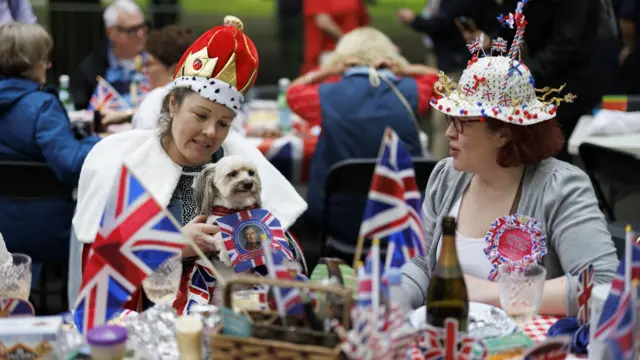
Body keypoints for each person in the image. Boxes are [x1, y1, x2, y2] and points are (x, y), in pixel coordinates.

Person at [71, 16, 307, 311]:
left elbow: (285, 257)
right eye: (200, 116)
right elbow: (102, 277)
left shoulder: (240, 164)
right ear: (172, 104)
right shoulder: (126, 164)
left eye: (223, 123)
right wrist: (172, 247)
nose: (211, 132)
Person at [400, 5, 619, 317]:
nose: (449, 131)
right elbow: (422, 266)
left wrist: (491, 292)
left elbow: (602, 286)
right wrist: (394, 299)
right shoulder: (446, 176)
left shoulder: (560, 187)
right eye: (450, 118)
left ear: (503, 132)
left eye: (462, 121)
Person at [287, 27, 438, 262]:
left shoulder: (326, 95)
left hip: (340, 223)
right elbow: (440, 82)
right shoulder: (411, 91)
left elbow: (293, 93)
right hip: (404, 218)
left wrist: (326, 70)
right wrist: (407, 69)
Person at [0, 23, 100, 269]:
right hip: (46, 229)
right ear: (32, 62)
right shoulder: (42, 107)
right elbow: (72, 165)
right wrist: (96, 141)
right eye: (44, 59)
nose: (48, 65)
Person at [70, 0, 147, 111]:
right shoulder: (90, 69)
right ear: (111, 32)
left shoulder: (157, 62)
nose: (141, 34)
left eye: (143, 27)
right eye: (132, 30)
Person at [132, 24, 196, 130]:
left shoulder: (155, 100)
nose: (144, 70)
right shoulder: (206, 98)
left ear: (175, 70)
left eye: (149, 64)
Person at [301, 0, 369, 74]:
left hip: (355, 51)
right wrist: (347, 41)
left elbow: (363, 20)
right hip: (328, 53)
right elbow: (322, 21)